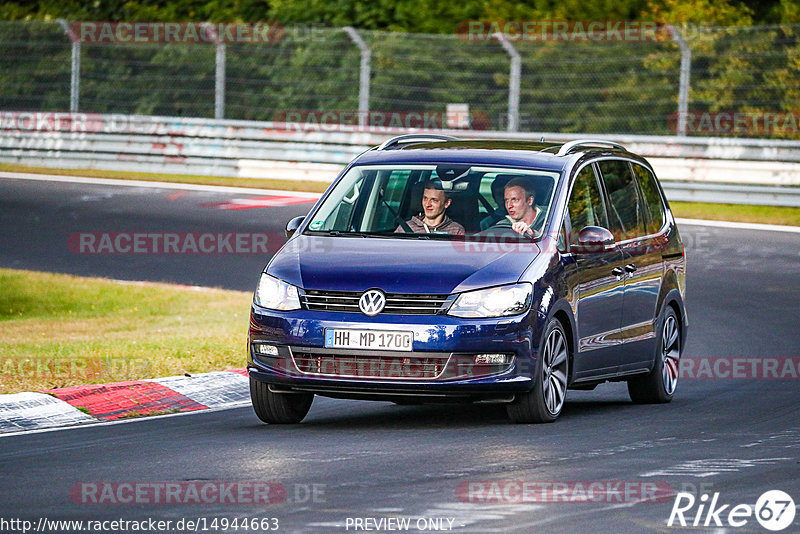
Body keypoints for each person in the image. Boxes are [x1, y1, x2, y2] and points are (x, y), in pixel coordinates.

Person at [396, 181, 465, 235]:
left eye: (434, 200)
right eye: (425, 198)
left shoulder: (456, 230)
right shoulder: (405, 228)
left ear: (447, 203)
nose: (427, 204)